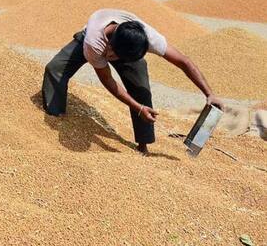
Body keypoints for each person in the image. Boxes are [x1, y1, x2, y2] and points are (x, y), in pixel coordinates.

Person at [42, 9, 224, 155]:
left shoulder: (148, 38)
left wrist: (209, 93)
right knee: (55, 69)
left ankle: (143, 145)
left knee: (140, 88)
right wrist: (138, 108)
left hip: (124, 45)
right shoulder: (93, 44)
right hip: (88, 38)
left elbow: (183, 61)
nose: (114, 59)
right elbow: (108, 81)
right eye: (115, 56)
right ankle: (56, 115)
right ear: (110, 47)